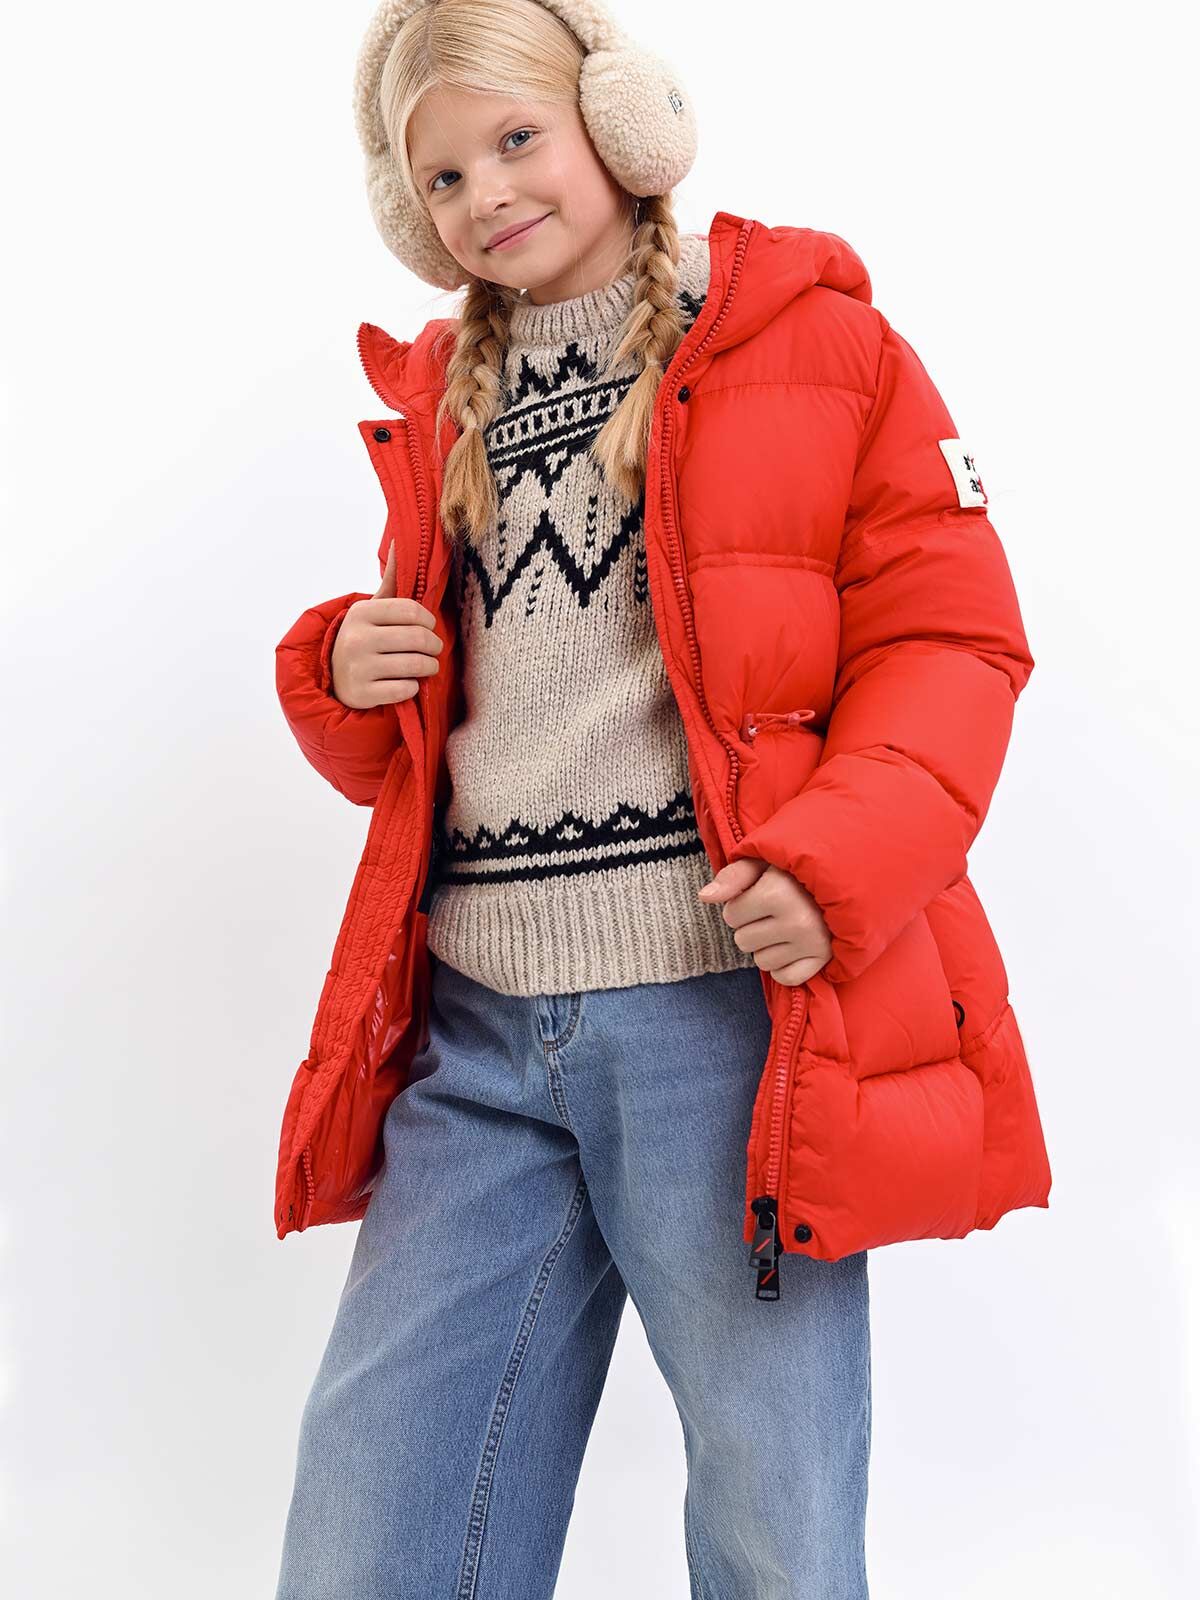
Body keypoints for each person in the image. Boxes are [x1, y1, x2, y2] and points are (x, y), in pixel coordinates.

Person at [271, 2, 1052, 1595]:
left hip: (726, 1029)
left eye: (517, 140)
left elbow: (951, 639)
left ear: (624, 122)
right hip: (477, 1035)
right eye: (442, 177)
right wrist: (340, 670)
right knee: (373, 1519)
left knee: (775, 1526)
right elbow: (435, 749)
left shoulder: (815, 345)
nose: (487, 193)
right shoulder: (445, 404)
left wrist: (833, 866)